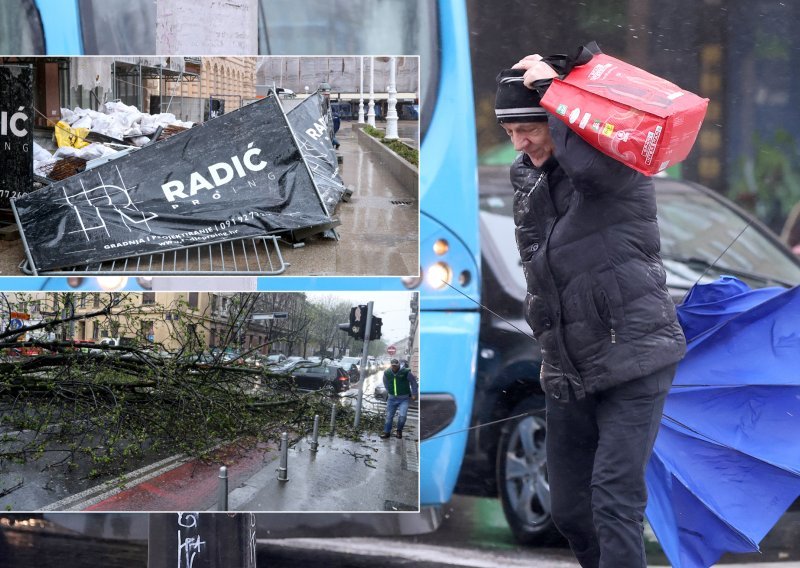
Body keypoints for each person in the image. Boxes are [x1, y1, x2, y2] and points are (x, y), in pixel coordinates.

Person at [495, 57, 687, 568]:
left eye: (529, 128)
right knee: (571, 512)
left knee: (614, 500)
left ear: (560, 120)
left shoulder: (615, 165)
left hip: (634, 357)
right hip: (569, 366)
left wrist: (556, 94)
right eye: (510, 132)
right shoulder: (526, 176)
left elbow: (589, 170)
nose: (519, 143)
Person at [380, 358, 418, 439]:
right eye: (393, 366)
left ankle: (399, 431)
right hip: (391, 399)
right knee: (389, 416)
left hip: (404, 399)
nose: (394, 367)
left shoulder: (406, 372)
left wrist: (414, 393)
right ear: (391, 366)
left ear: (398, 365)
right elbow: (385, 383)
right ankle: (387, 432)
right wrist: (389, 391)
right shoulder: (387, 373)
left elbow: (413, 382)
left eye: (395, 366)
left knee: (402, 416)